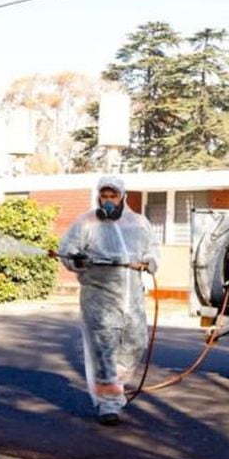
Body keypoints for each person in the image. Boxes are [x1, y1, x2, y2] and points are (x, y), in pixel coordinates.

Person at [56, 176, 158, 425]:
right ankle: (108, 405)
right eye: (105, 196)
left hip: (131, 297)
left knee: (136, 342)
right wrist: (76, 260)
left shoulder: (138, 223)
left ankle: (115, 386)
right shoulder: (86, 222)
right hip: (99, 298)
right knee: (103, 352)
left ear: (122, 196)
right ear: (99, 196)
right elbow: (66, 250)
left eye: (113, 196)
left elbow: (153, 249)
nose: (109, 200)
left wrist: (149, 261)